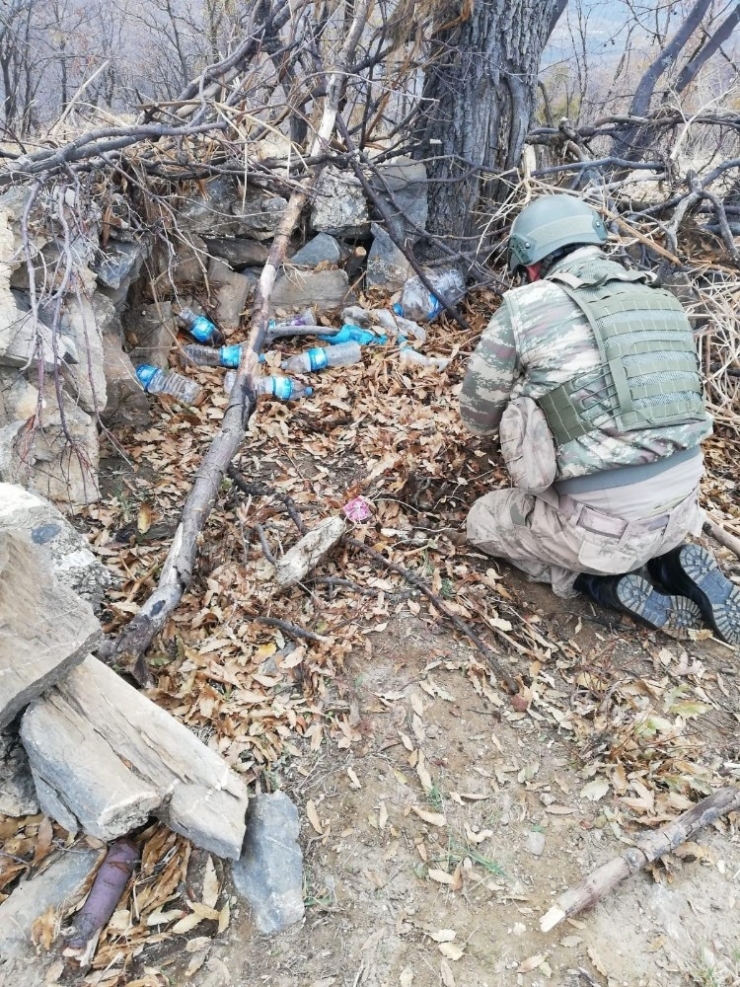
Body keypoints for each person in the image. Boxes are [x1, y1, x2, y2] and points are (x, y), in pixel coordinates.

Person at [460, 193, 739, 645]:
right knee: (641, 503)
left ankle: (595, 584)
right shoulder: (662, 299)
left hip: (599, 529)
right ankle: (669, 562)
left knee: (483, 520)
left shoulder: (527, 305)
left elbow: (476, 414)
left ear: (532, 264)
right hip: (684, 505)